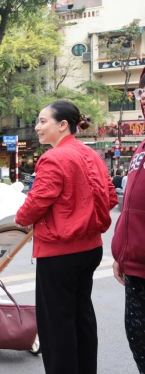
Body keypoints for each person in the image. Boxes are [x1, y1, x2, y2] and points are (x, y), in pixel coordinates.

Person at [15, 100, 117, 374]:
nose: (37, 127)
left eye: (42, 121)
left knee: (56, 324)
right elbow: (109, 197)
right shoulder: (91, 154)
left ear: (62, 125)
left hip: (59, 251)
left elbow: (37, 201)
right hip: (90, 248)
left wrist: (20, 218)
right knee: (82, 315)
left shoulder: (54, 157)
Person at [113, 69, 145, 373]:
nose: (143, 97)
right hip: (135, 268)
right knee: (138, 342)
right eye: (142, 91)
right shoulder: (141, 147)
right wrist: (122, 256)